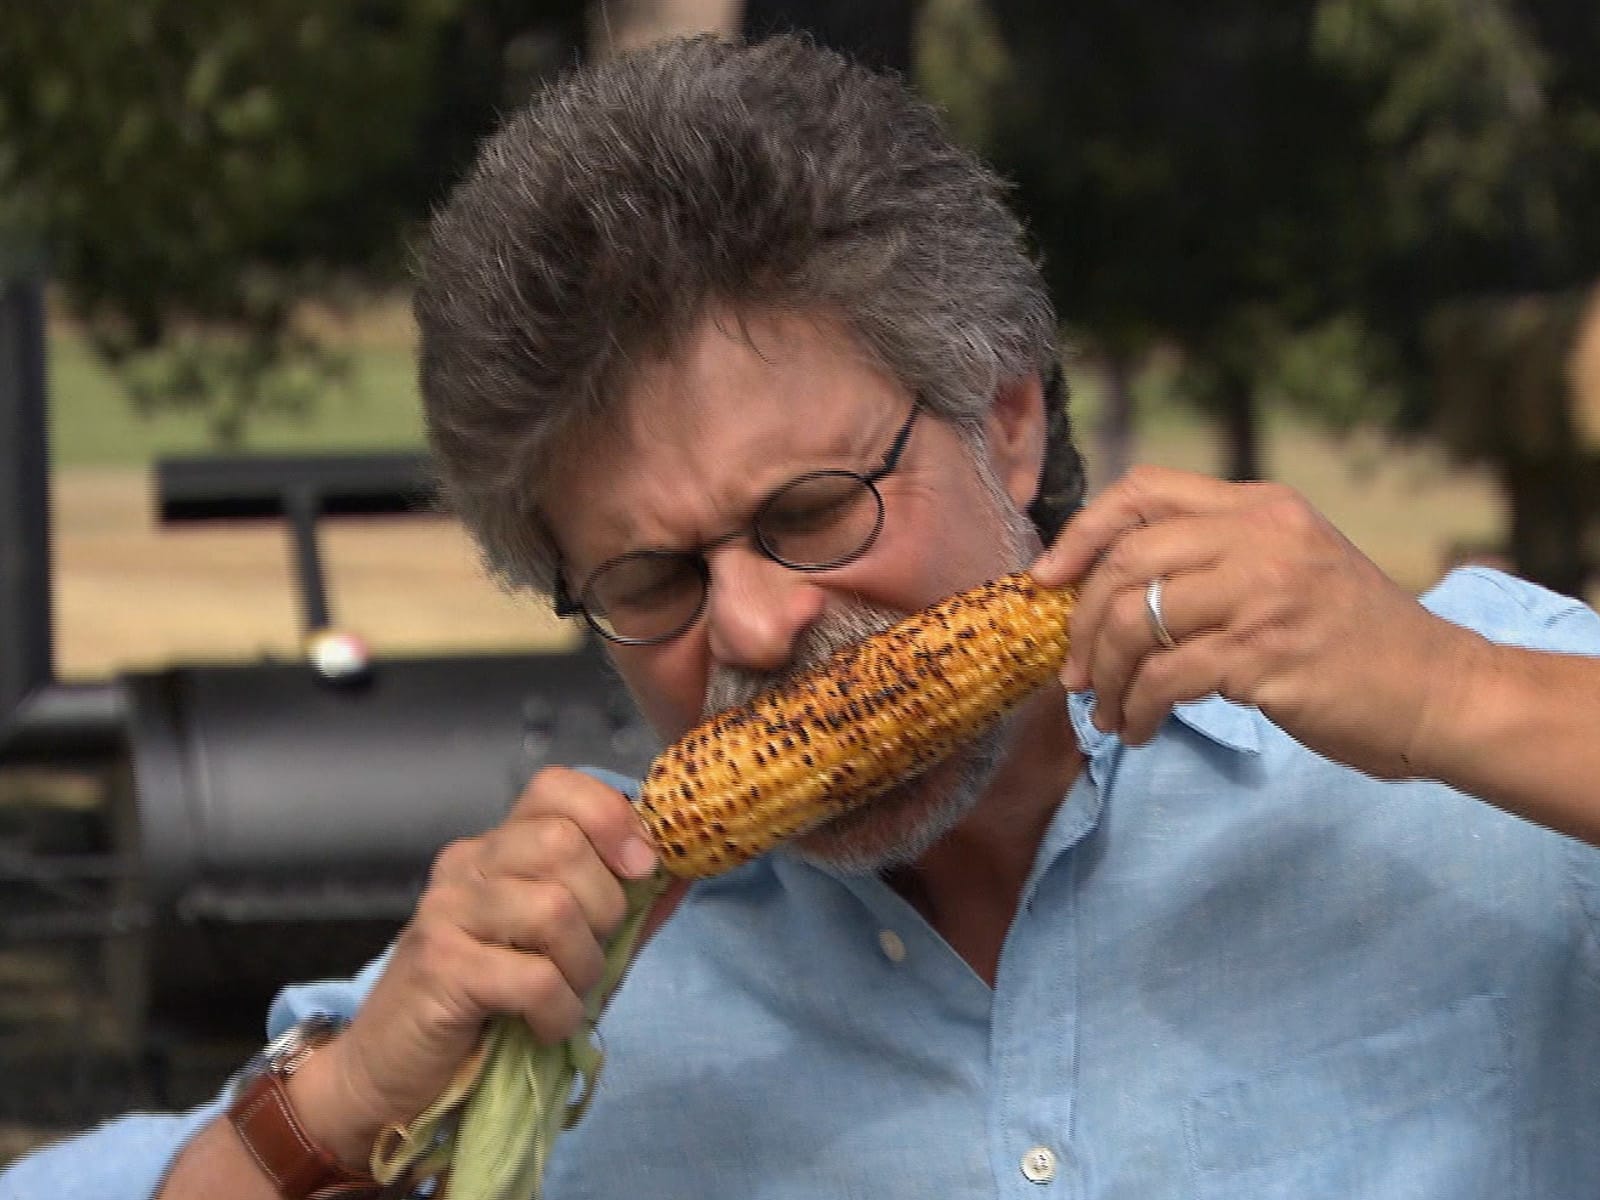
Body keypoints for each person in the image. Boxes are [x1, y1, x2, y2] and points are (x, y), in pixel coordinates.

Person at [6, 32, 1600, 1200]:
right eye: (652, 583)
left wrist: (1459, 702)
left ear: (1007, 423)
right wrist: (337, 1105)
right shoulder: (556, 979)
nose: (758, 628)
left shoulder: (1453, 719)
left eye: (812, 510)